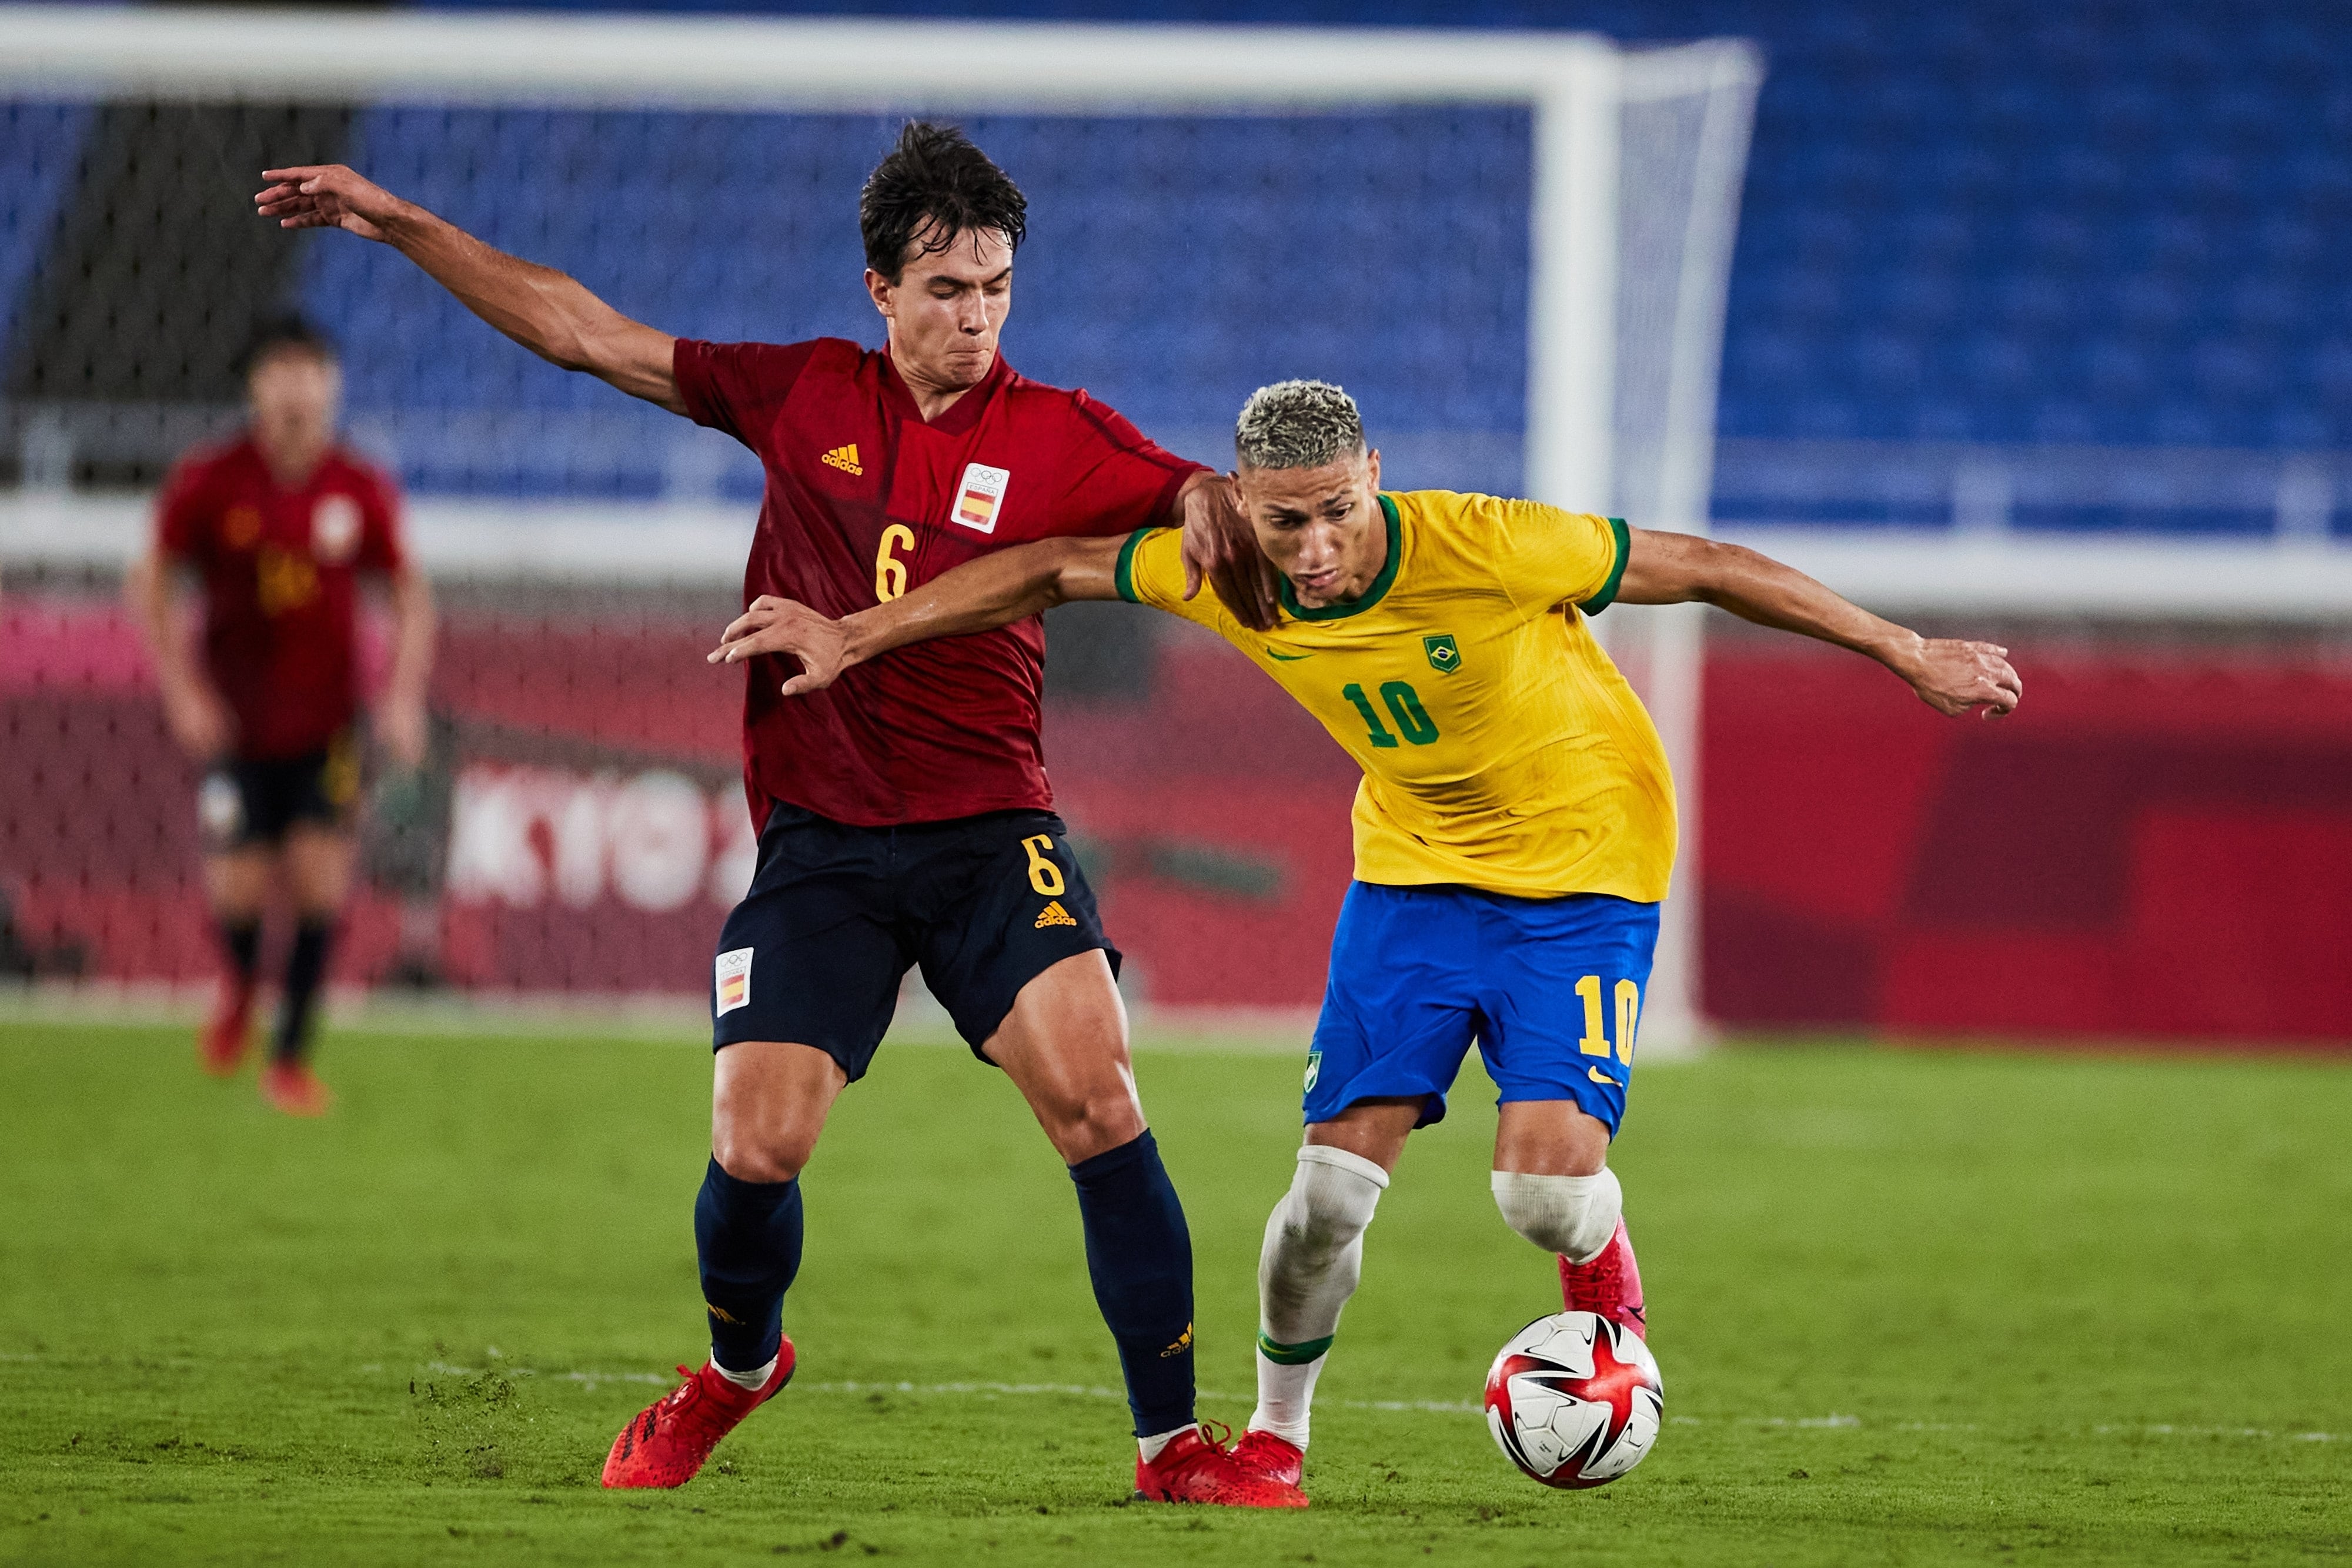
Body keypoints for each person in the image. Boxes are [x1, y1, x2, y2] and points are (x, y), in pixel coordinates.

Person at [710, 378, 2024, 1501]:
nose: (1321, 541)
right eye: (1287, 518)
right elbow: (1052, 568)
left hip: (1581, 871)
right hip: (1409, 878)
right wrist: (858, 632)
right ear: (1239, 504)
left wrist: (1902, 647)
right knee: (1324, 1200)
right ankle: (1273, 1449)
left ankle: (1606, 1296)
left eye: (1341, 507)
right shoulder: (1227, 571)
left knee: (1540, 1193)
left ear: (1373, 479)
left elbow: (1711, 568)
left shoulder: (1489, 542)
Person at [253, 124, 1298, 1506]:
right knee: (756, 1142)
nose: (974, 317)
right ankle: (738, 1369)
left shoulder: (1057, 432)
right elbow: (581, 331)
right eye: (944, 290)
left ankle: (1171, 1445)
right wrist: (395, 220)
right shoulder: (802, 395)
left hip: (993, 834)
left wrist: (1217, 502)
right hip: (822, 840)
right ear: (879, 290)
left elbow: (1187, 490)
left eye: (994, 288)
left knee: (1100, 1101)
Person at [127, 316, 435, 1116]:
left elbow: (408, 593)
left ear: (330, 387)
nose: (298, 388)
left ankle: (290, 1060)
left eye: (311, 373)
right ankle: (237, 987)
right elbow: (152, 578)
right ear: (255, 387)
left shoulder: (357, 486)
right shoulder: (212, 480)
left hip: (328, 727)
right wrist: (183, 690)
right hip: (236, 726)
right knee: (236, 890)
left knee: (319, 885)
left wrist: (401, 698)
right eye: (282, 372)